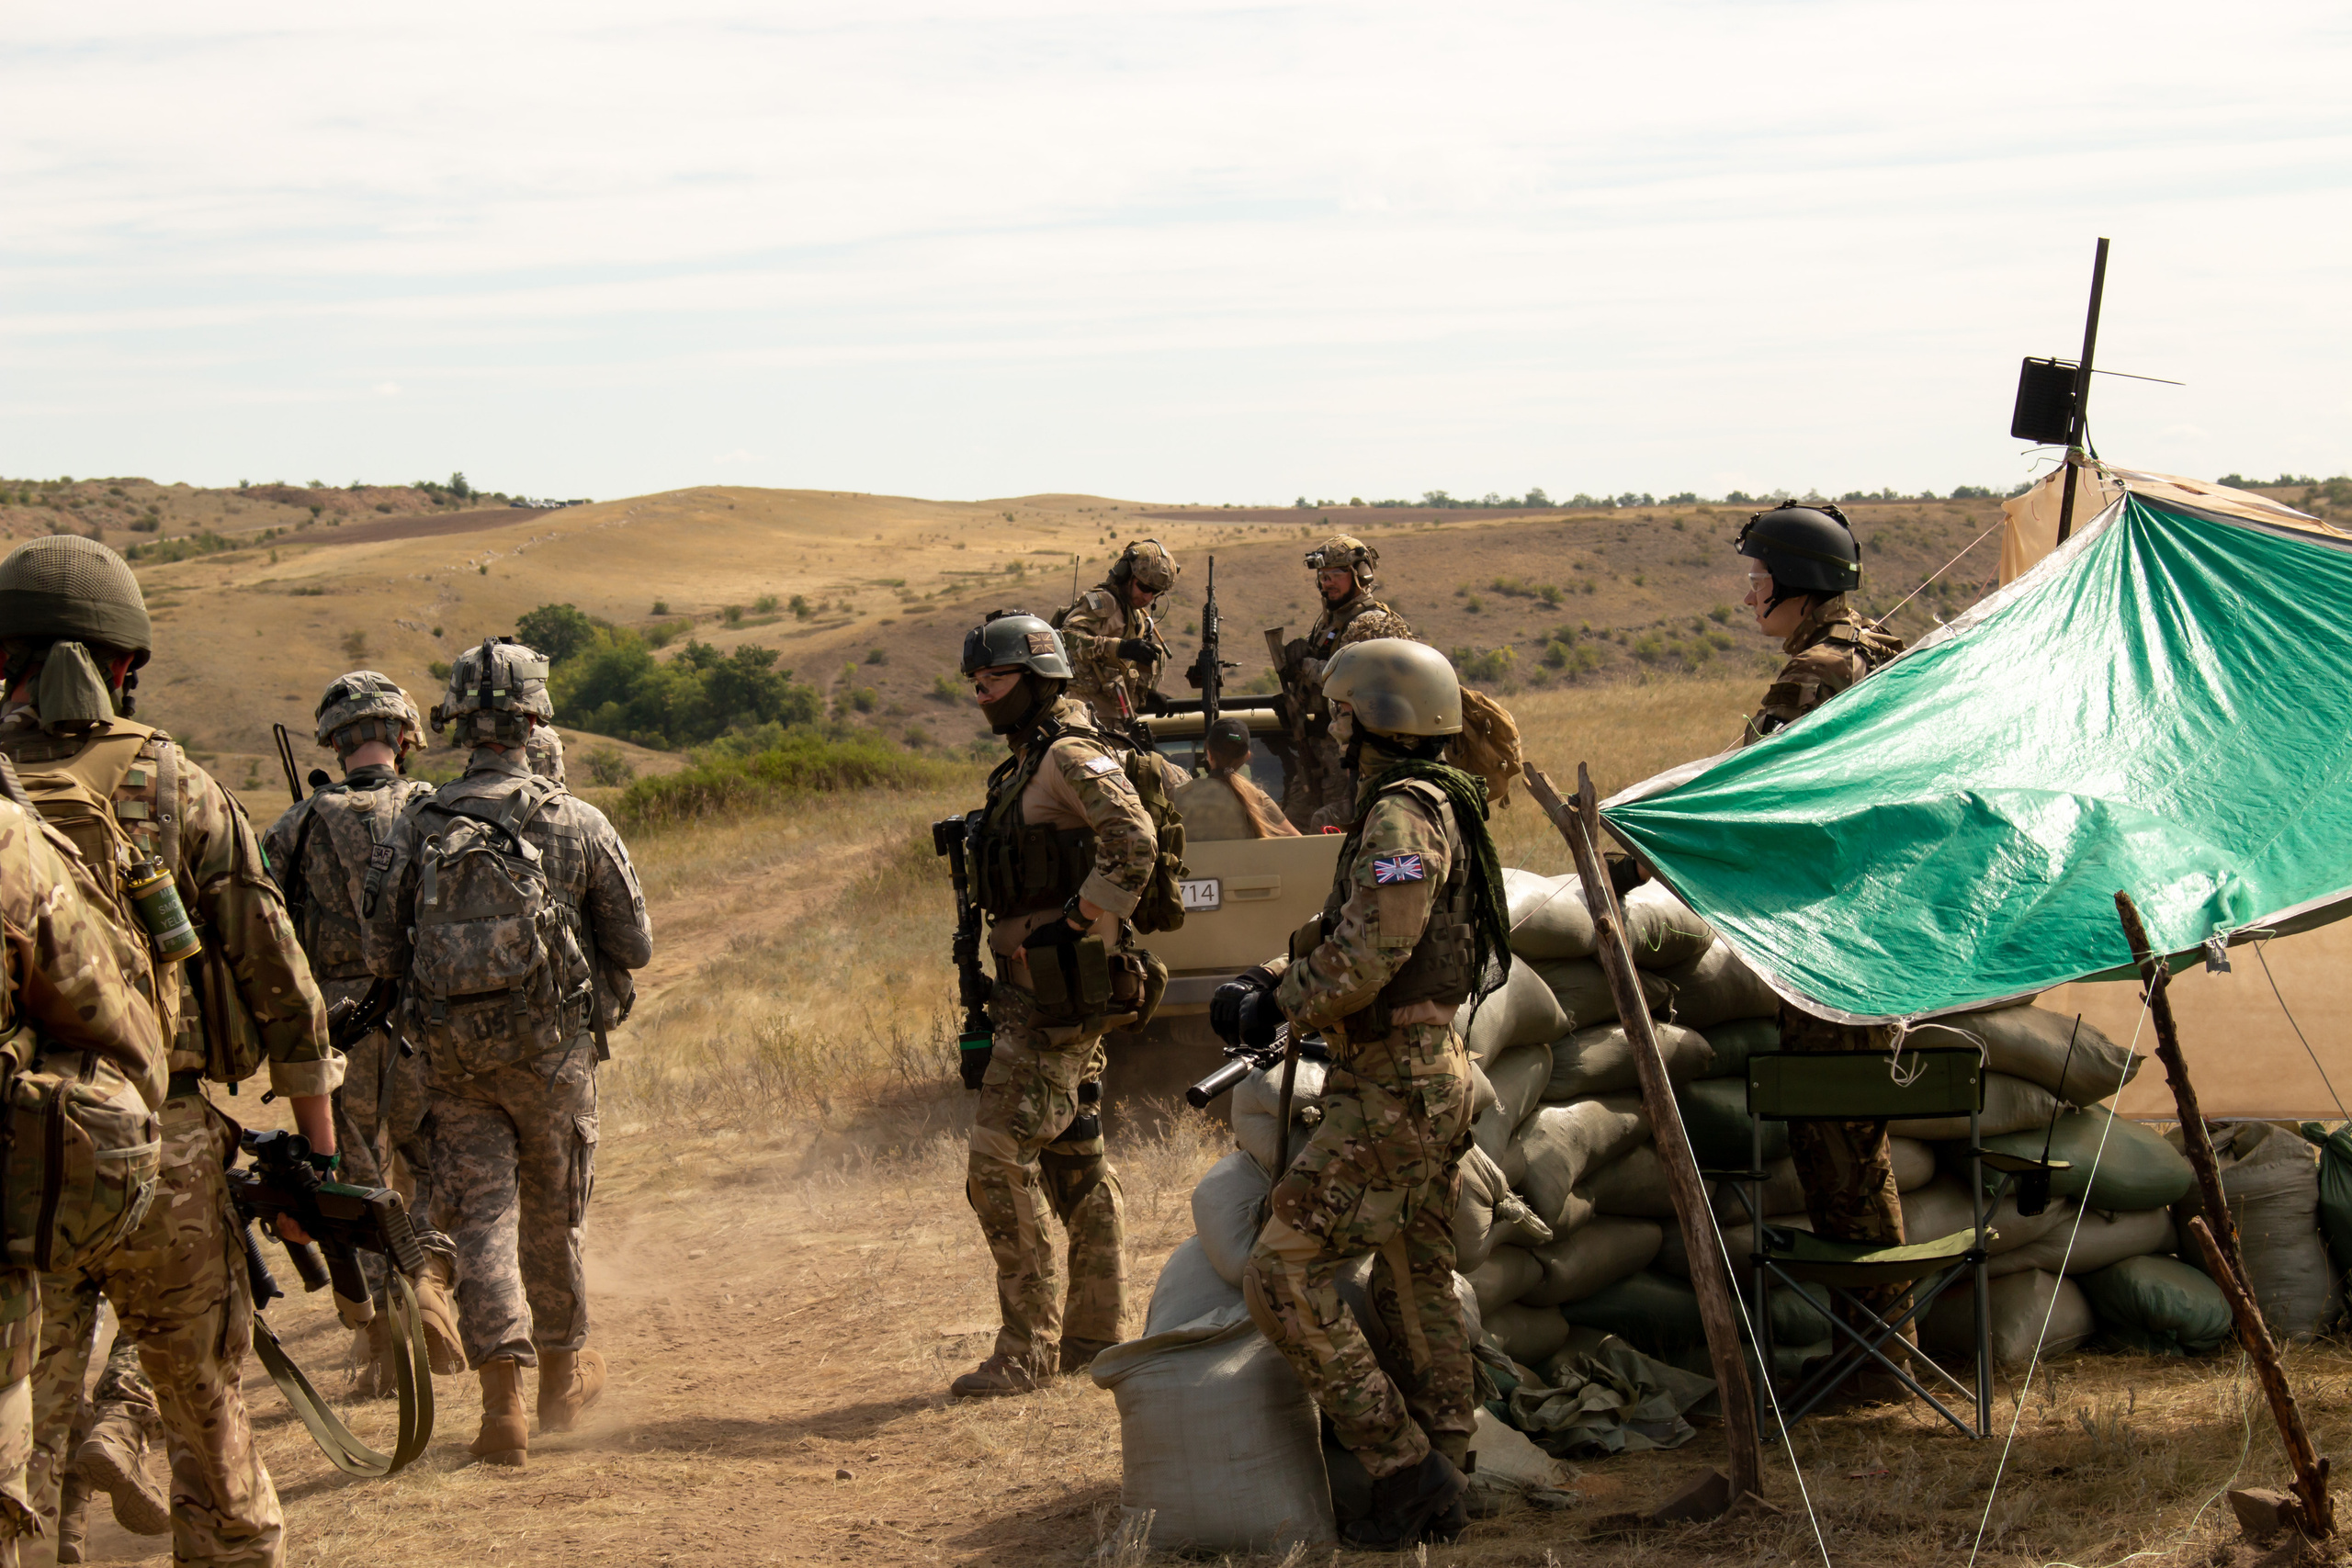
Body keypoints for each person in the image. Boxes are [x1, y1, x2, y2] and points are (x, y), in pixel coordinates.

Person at [0, 535, 339, 1567]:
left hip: (16, 1164)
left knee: (23, 1442)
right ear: (124, 659)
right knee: (205, 1410)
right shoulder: (172, 778)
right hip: (165, 1145)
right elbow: (278, 975)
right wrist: (319, 1157)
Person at [1219, 637, 1509, 1550]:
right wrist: (1274, 973)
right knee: (1416, 1272)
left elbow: (1375, 948)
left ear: (1378, 718)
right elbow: (1360, 923)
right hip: (1423, 1074)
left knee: (1281, 1273)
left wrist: (1281, 1002)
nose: (1335, 731)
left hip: (1395, 1080)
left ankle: (1403, 1467)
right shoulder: (1439, 801)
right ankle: (1447, 1466)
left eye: (1342, 714)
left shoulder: (1401, 814)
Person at [363, 637, 652, 1469]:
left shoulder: (417, 823)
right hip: (555, 1059)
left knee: (481, 1220)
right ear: (535, 720)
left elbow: (382, 952)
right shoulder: (577, 820)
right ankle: (561, 1386)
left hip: (453, 1063)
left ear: (457, 721)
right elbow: (634, 944)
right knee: (555, 1218)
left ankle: (503, 1410)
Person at [949, 612, 1158, 1396]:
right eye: (976, 682)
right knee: (1077, 1160)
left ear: (1038, 679)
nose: (982, 694)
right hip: (1040, 994)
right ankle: (1093, 1335)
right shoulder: (1031, 757)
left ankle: (1026, 1348)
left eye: (994, 679)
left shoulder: (1067, 752)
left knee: (997, 1161)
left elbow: (1133, 842)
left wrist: (1074, 922)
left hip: (1057, 996)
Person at [1736, 502, 1910, 1392]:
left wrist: (1636, 857)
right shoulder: (1884, 655)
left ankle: (1874, 1358)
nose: (1750, 594)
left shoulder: (1816, 671)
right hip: (1881, 928)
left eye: (1759, 577)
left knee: (1837, 1149)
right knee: (1858, 1141)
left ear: (1797, 583)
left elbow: (1739, 794)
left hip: (1833, 940)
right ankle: (1877, 1349)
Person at [261, 671, 463, 1396]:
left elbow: (265, 931)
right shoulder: (439, 810)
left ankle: (386, 1343)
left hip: (337, 1025)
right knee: (435, 1159)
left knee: (356, 1181)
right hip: (425, 1013)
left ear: (335, 741)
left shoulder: (296, 825)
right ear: (404, 736)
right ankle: (432, 1278)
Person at [0, 757, 167, 1568]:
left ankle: (62, 1537)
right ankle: (113, 1439)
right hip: (68, 1149)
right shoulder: (16, 843)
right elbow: (119, 1025)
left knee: (55, 1351)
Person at [1272, 536, 1414, 830]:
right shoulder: (1329, 622)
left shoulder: (1372, 623)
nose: (1327, 583)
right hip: (1319, 749)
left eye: (1336, 574)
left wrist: (1306, 664)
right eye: (1323, 576)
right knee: (1291, 829)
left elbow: (1353, 678)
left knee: (1334, 831)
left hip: (1352, 754)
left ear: (1360, 574)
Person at [1057, 540, 1178, 736]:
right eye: (1144, 587)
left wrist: (1145, 698)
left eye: (1155, 592)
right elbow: (1066, 639)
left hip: (1115, 722)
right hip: (1083, 719)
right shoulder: (1103, 602)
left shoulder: (1135, 615)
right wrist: (1120, 648)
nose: (1148, 597)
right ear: (1126, 575)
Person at [1167, 716, 1297, 841]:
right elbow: (1297, 842)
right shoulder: (1256, 799)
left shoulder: (1178, 795)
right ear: (1247, 757)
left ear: (1209, 754)